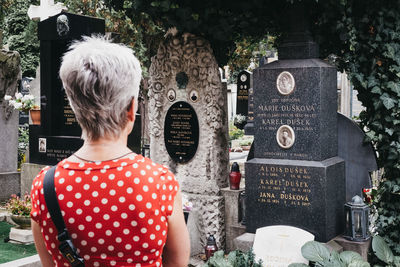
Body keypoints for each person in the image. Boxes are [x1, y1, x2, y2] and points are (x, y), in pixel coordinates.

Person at [30, 36, 190, 267]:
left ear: (74, 107)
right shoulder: (158, 182)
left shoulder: (45, 186)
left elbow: (50, 263)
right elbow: (177, 262)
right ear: (131, 109)